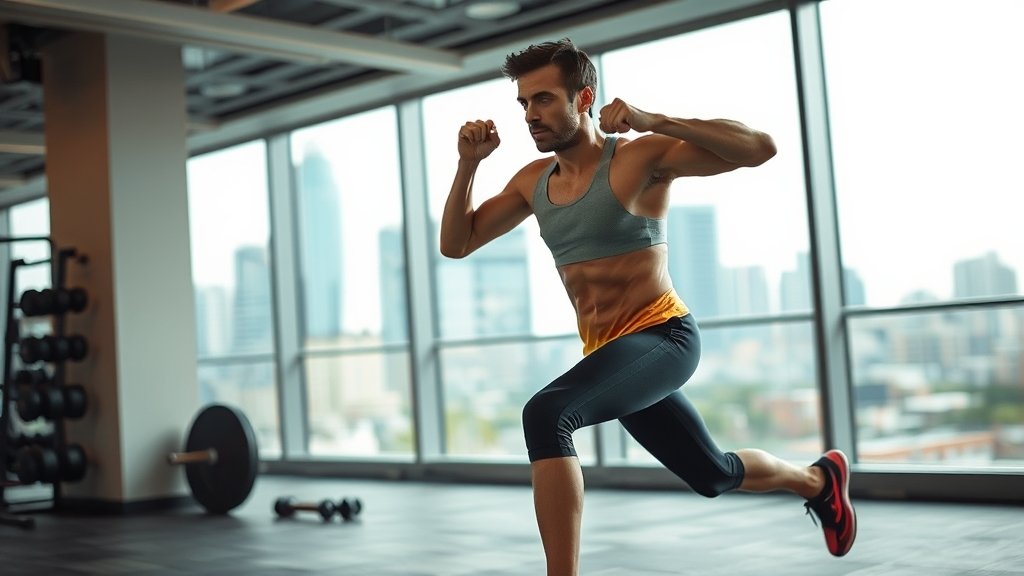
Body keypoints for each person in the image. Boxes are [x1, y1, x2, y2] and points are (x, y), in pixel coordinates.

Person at [439, 38, 856, 575]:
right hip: (613, 356)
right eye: (523, 103)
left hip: (665, 337)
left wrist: (652, 119)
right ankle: (820, 480)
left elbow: (760, 147)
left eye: (542, 99)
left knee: (547, 414)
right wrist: (467, 166)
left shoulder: (640, 157)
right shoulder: (531, 182)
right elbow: (457, 243)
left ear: (583, 97)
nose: (530, 115)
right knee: (712, 474)